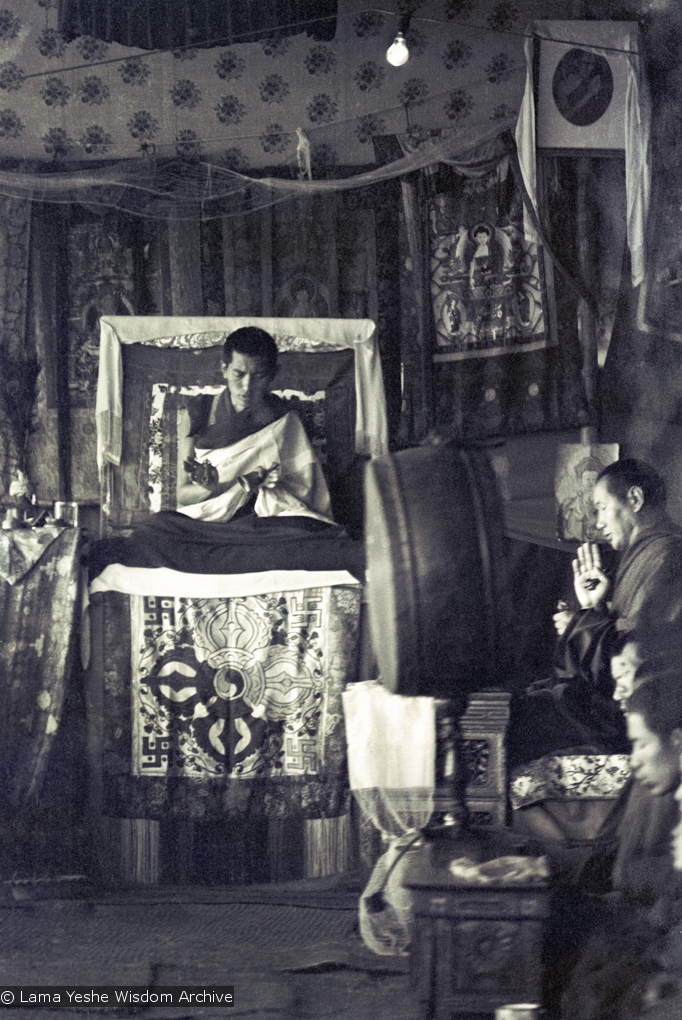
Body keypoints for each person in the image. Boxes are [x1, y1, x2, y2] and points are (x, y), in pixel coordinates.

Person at [85, 327, 363, 579]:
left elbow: (307, 494)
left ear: (273, 374)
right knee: (153, 531)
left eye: (259, 377)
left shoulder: (284, 419)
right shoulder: (198, 413)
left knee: (313, 540)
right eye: (238, 375)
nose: (246, 387)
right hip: (209, 524)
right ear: (224, 368)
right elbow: (182, 495)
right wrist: (211, 488)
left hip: (265, 524)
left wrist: (272, 486)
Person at [507, 458, 682, 769]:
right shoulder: (647, 553)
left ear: (635, 499)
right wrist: (593, 607)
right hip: (617, 704)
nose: (598, 522)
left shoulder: (669, 555)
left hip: (645, 716)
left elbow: (645, 650)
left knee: (520, 719)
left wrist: (581, 624)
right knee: (524, 700)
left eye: (602, 507)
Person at [554, 673, 682, 1020]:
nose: (634, 759)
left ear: (677, 740)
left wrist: (661, 965)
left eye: (642, 744)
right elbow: (617, 859)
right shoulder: (657, 785)